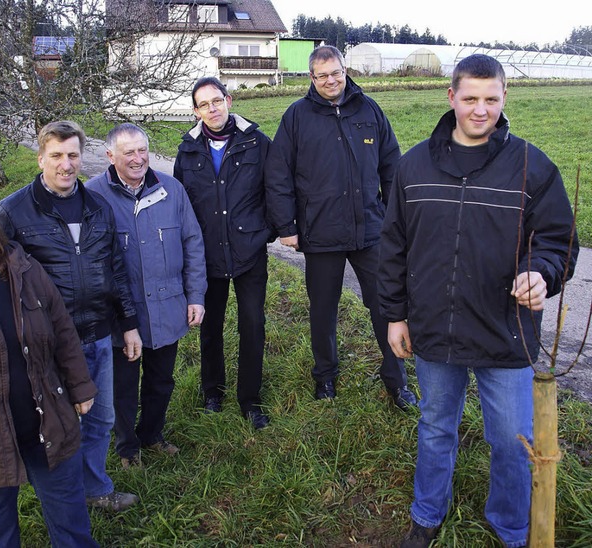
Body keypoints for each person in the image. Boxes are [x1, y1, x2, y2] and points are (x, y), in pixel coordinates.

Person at [377, 54, 578, 548]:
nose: (480, 109)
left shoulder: (532, 166)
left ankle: (510, 528)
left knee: (511, 441)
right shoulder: (414, 165)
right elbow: (393, 247)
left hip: (505, 331)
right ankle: (426, 515)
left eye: (491, 98)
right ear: (451, 98)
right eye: (470, 98)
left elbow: (559, 240)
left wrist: (543, 273)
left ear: (505, 97)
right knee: (435, 427)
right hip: (433, 327)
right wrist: (395, 315)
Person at [0, 121, 142, 512]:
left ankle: (94, 489)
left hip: (97, 334)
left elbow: (116, 269)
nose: (66, 164)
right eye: (56, 155)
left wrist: (128, 324)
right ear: (41, 157)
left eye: (73, 155)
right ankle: (62, 499)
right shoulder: (13, 211)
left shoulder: (98, 207)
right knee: (57, 426)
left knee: (101, 419)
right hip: (45, 344)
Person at [265, 45, 416, 409]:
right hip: (321, 233)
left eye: (336, 73)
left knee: (387, 305)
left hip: (370, 231)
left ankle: (396, 380)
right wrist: (287, 225)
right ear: (311, 78)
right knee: (323, 309)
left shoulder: (368, 110)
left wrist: (395, 219)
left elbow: (391, 166)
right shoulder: (297, 116)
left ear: (345, 70)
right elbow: (278, 174)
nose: (331, 81)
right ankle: (326, 377)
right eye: (322, 76)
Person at [0, 182, 99, 547]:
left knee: (70, 519)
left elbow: (63, 328)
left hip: (47, 416)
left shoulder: (20, 266)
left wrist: (81, 386)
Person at [86, 123, 207, 467]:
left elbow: (192, 243)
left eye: (142, 150)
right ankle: (127, 448)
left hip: (168, 306)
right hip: (121, 315)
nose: (138, 159)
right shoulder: (93, 196)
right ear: (110, 156)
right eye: (129, 152)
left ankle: (152, 435)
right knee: (123, 387)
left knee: (161, 380)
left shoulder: (171, 190)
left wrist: (196, 295)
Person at [173, 77, 273, 429]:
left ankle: (250, 399)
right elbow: (181, 207)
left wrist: (267, 232)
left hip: (249, 253)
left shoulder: (257, 142)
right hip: (207, 256)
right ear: (196, 111)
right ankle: (212, 392)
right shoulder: (187, 152)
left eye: (217, 101)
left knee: (253, 324)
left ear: (228, 100)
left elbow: (273, 189)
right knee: (209, 326)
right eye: (204, 105)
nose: (212, 109)